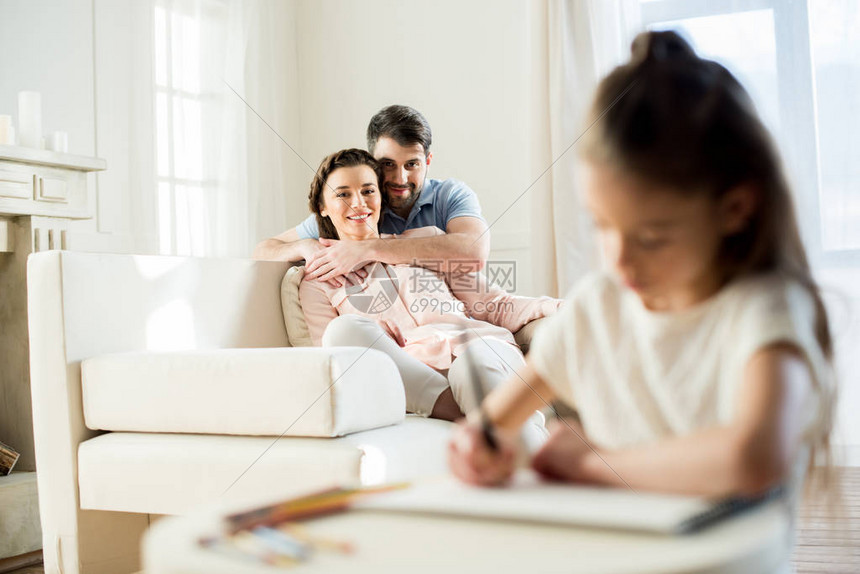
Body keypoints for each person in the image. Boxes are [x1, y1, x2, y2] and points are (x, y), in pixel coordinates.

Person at [448, 28, 836, 513]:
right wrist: (478, 449)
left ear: (735, 208)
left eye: (652, 237)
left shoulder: (765, 308)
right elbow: (491, 424)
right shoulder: (600, 305)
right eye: (603, 227)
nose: (620, 260)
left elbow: (755, 458)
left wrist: (591, 465)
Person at [298, 148, 558, 447]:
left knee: (472, 365)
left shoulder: (425, 241)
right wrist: (304, 247)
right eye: (342, 194)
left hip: (476, 347)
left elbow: (495, 304)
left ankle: (521, 451)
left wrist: (559, 307)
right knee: (342, 331)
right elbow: (331, 361)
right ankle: (457, 410)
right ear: (322, 206)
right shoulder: (318, 280)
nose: (359, 203)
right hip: (414, 376)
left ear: (380, 197)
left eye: (368, 190)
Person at [253, 105, 490, 287]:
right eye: (387, 164)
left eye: (412, 164)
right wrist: (306, 246)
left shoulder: (450, 195)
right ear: (371, 160)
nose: (400, 178)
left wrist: (369, 249)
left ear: (427, 161)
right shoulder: (358, 210)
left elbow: (475, 251)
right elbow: (263, 250)